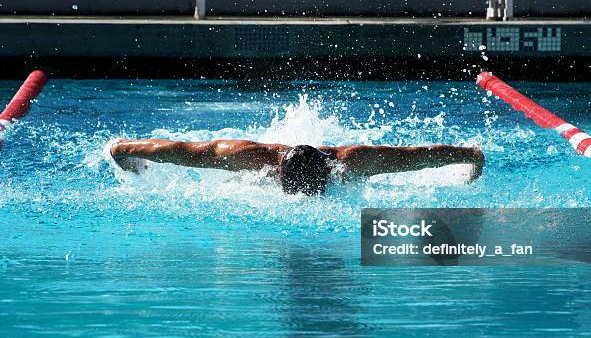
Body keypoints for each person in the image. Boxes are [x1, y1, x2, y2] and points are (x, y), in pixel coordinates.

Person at [110, 139, 484, 195]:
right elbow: (184, 150)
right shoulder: (246, 157)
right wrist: (124, 150)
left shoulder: (354, 163)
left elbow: (416, 156)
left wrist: (472, 156)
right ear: (277, 173)